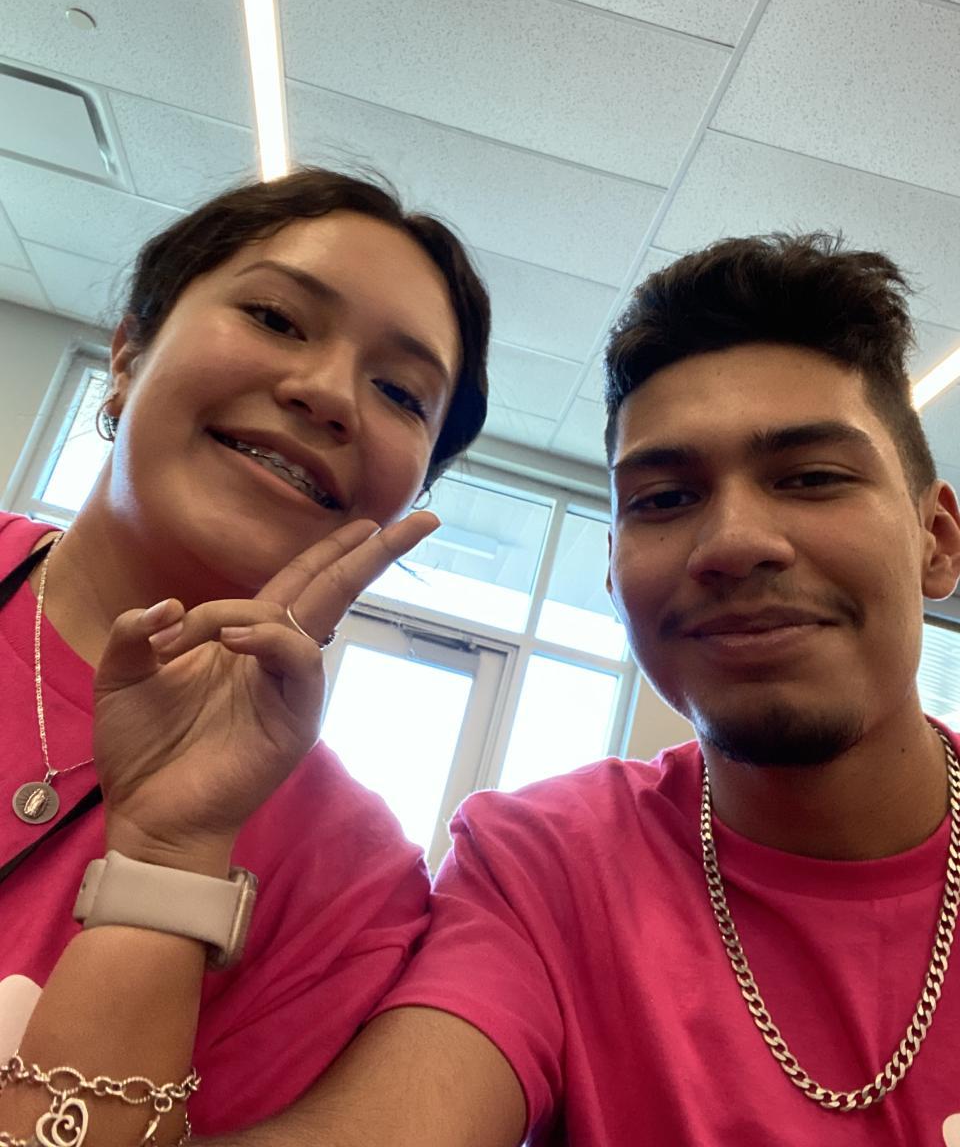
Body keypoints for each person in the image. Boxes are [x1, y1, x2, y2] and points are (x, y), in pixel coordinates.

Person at [202, 233, 960, 1146]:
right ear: (612, 572)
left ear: (936, 542)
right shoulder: (547, 865)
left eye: (810, 479)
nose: (733, 543)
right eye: (663, 499)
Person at [0, 167, 490, 1143]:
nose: (328, 394)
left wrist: (170, 864)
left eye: (401, 392)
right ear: (129, 353)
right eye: (274, 317)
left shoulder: (354, 886)